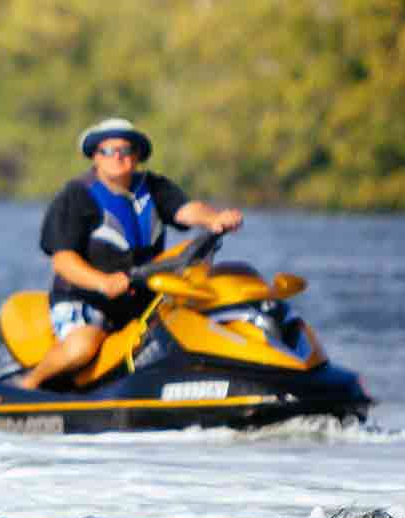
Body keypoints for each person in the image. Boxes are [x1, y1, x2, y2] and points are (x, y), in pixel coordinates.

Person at [16, 117, 243, 390]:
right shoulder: (76, 196)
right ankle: (29, 384)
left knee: (197, 322)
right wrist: (103, 282)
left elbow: (186, 210)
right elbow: (63, 260)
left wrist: (215, 219)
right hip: (87, 299)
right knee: (82, 347)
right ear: (96, 158)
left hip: (145, 296)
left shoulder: (154, 188)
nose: (119, 157)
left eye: (126, 151)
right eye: (109, 151)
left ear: (137, 157)